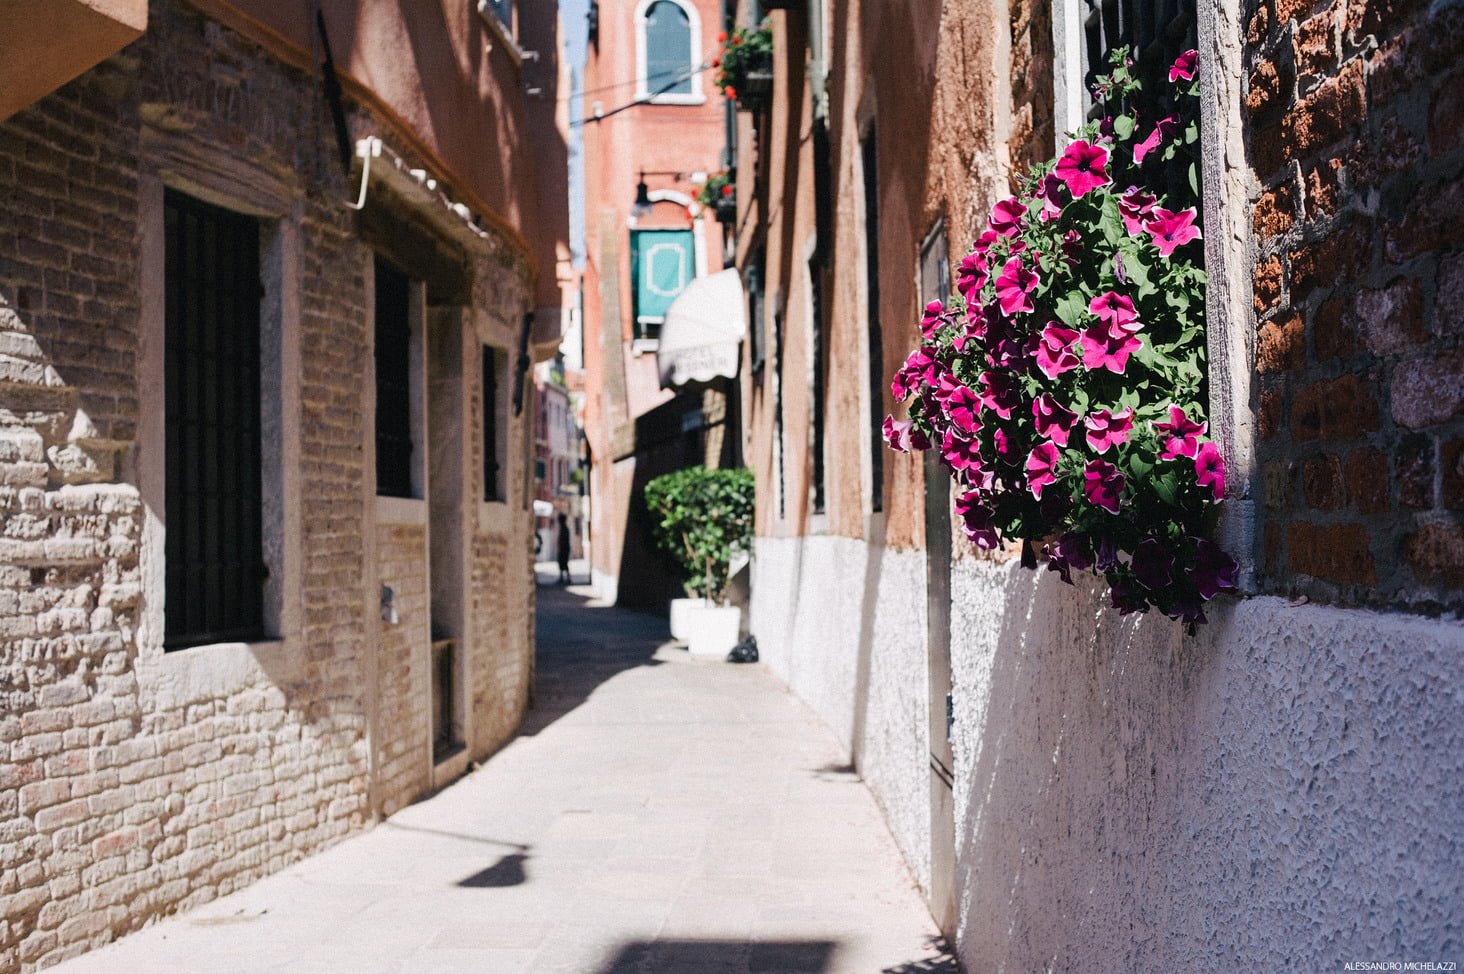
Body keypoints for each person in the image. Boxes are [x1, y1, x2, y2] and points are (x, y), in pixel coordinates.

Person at [556, 512, 572, 584]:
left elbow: (563, 541)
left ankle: (567, 578)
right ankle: (562, 578)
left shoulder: (564, 529)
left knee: (564, 563)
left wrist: (561, 548)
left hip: (564, 549)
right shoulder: (563, 528)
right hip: (564, 549)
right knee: (562, 564)